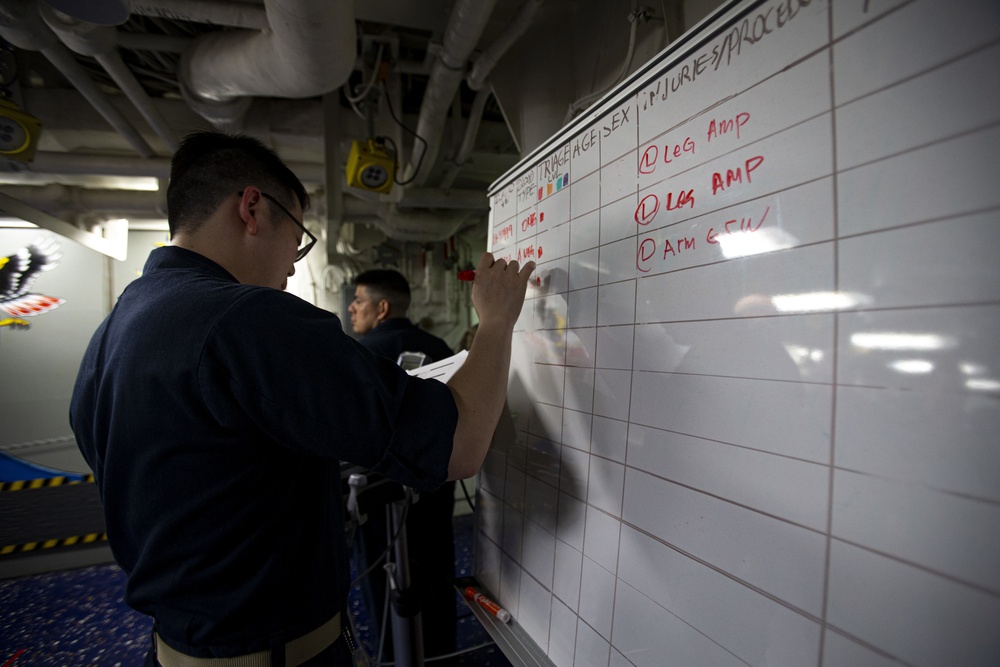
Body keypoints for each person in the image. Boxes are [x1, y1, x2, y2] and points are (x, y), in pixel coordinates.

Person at [69, 131, 534, 667]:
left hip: (175, 646)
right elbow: (461, 444)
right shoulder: (253, 320)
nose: (293, 264)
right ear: (251, 208)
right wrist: (496, 322)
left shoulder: (111, 334)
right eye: (299, 238)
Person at [348, 269, 457, 665]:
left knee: (383, 585)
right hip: (435, 491)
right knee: (437, 578)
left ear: (382, 307)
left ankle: (393, 658)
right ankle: (444, 655)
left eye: (358, 300)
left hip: (377, 501)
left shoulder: (357, 353)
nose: (351, 307)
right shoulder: (441, 348)